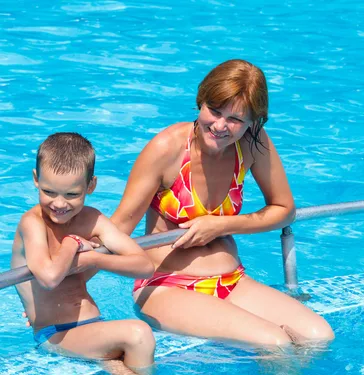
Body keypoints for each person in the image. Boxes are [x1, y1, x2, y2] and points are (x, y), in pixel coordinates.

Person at [12, 132, 227, 375]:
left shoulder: (92, 219)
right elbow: (48, 277)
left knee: (130, 372)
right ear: (35, 180)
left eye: (72, 195)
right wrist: (73, 245)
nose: (59, 204)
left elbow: (143, 264)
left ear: (91, 186)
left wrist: (95, 261)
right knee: (138, 333)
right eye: (49, 192)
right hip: (55, 334)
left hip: (90, 328)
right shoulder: (32, 223)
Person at [111, 59, 334, 347]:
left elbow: (284, 209)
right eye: (214, 111)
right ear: (201, 102)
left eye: (235, 119)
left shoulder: (254, 144)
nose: (219, 126)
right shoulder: (167, 149)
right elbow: (117, 230)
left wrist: (221, 225)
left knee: (319, 337)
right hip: (168, 286)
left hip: (232, 281)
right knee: (274, 342)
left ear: (253, 122)